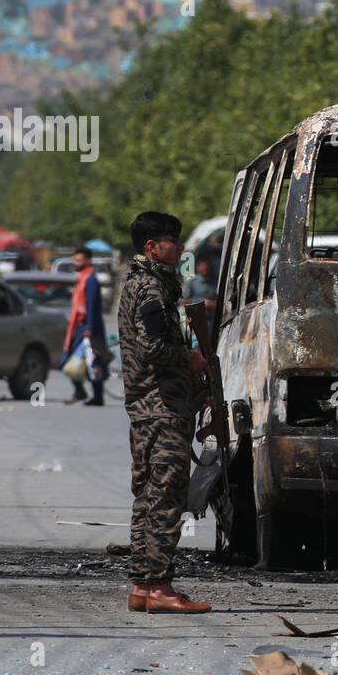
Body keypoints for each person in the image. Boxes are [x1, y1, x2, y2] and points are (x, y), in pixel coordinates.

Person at [119, 212, 211, 613]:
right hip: (161, 408)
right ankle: (159, 587)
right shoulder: (151, 288)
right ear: (151, 247)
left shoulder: (147, 284)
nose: (180, 246)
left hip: (151, 406)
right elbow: (152, 348)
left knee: (148, 496)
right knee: (166, 497)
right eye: (171, 240)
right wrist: (191, 361)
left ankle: (144, 584)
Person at [62, 246, 109, 406]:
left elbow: (91, 306)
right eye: (75, 259)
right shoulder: (81, 279)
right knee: (72, 359)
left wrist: (89, 327)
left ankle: (97, 396)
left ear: (88, 260)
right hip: (79, 326)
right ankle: (80, 391)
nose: (76, 262)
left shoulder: (90, 280)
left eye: (79, 260)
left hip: (89, 327)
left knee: (93, 361)